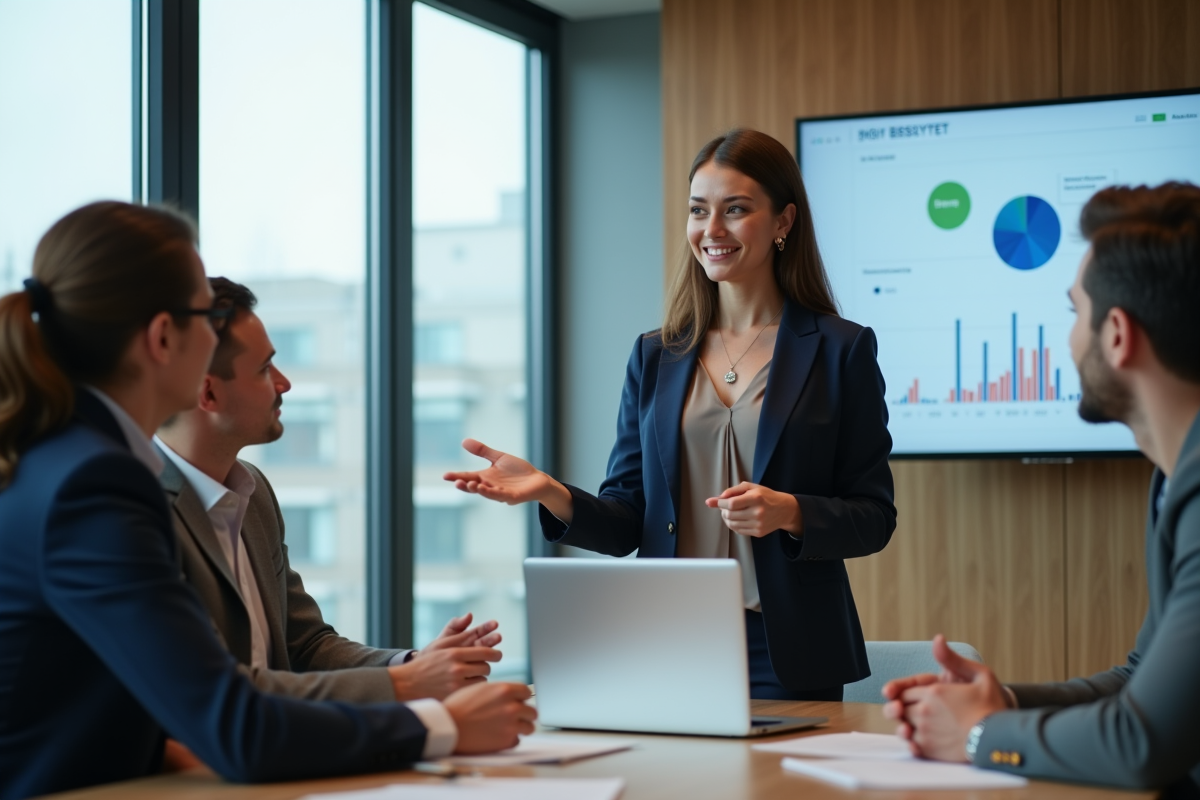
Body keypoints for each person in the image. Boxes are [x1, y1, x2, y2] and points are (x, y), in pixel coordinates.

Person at [0, 202, 535, 800]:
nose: (216, 330)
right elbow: (233, 723)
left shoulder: (63, 458)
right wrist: (442, 725)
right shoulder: (95, 483)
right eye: (207, 314)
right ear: (163, 337)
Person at [445, 129, 896, 699]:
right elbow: (627, 521)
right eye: (698, 211)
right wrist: (549, 491)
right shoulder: (656, 355)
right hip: (669, 643)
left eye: (736, 210)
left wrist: (791, 512)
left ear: (783, 222)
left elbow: (875, 516)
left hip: (787, 650)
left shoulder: (841, 350)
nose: (712, 230)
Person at [882, 183, 1200, 794]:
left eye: (1073, 312)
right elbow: (1140, 682)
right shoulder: (1174, 475)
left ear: (1116, 335)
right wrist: (1000, 701)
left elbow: (1143, 744)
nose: (1069, 339)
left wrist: (978, 737)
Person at [155, 277, 502, 704]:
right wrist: (408, 686)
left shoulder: (254, 491)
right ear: (208, 391)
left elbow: (306, 646)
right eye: (265, 369)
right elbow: (220, 692)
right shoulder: (141, 513)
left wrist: (415, 664)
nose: (284, 383)